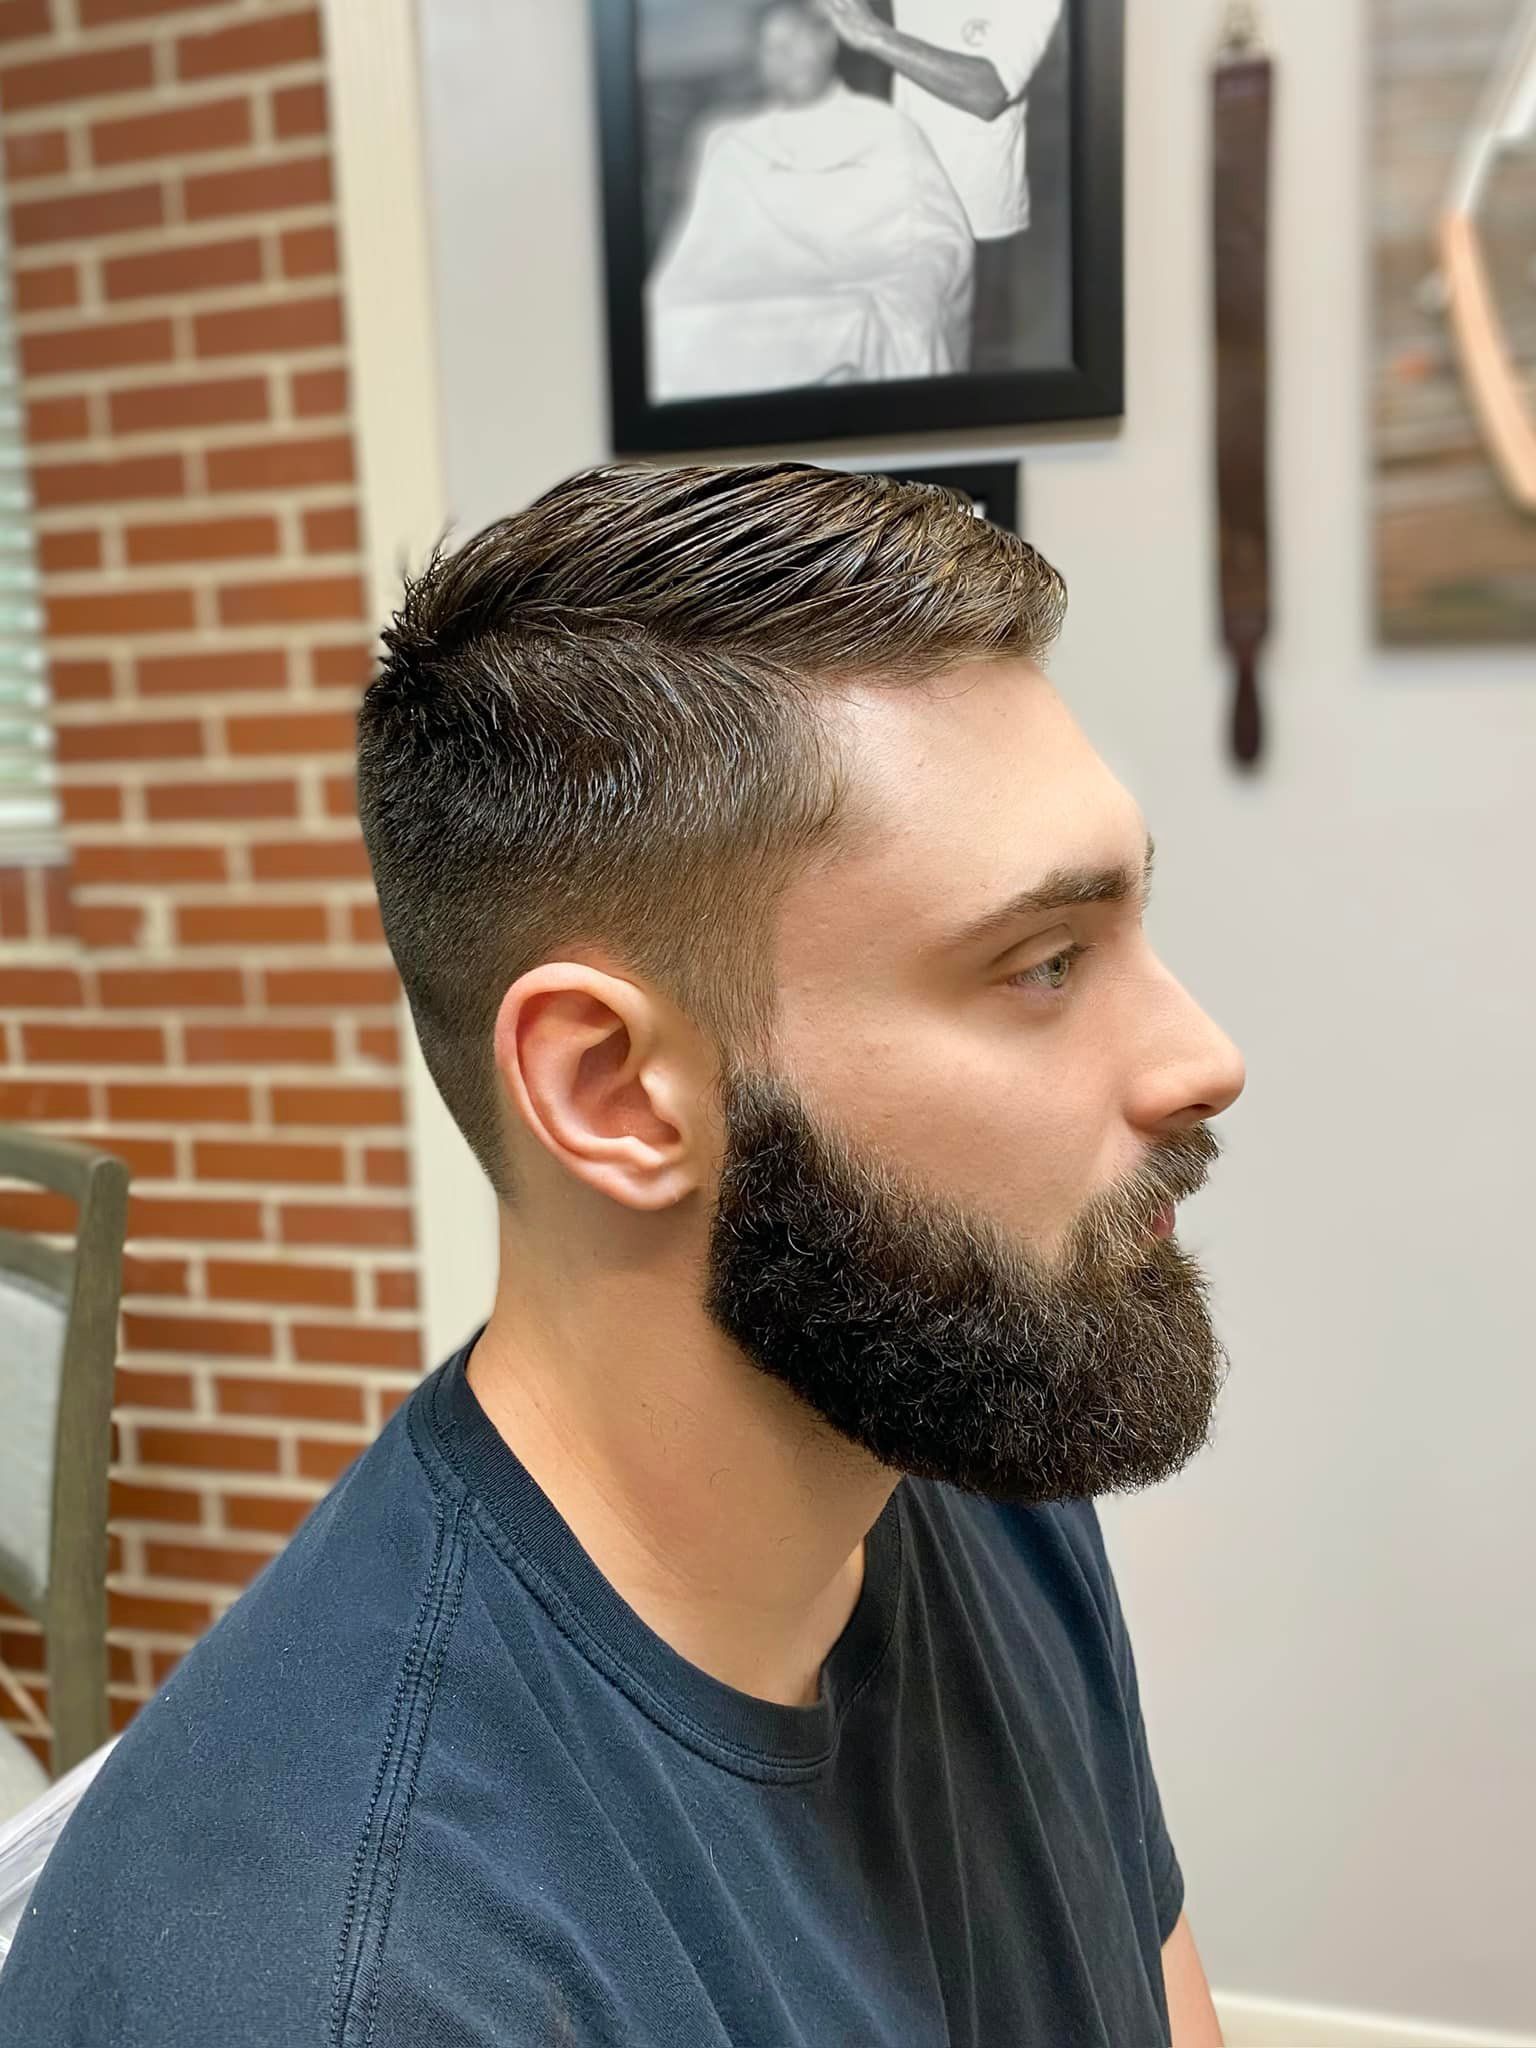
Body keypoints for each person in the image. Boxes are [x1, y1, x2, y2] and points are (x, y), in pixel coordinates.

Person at [0, 463, 1240, 2047]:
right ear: (612, 1094)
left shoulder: (965, 1457)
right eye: (1044, 964)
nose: (1202, 1056)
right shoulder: (349, 1983)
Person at [648, 1, 975, 398]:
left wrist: (911, 282)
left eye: (797, 40)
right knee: (668, 323)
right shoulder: (730, 139)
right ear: (759, 60)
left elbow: (933, 233)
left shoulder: (885, 128)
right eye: (773, 47)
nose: (787, 56)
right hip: (757, 284)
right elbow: (702, 246)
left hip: (861, 281)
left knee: (878, 320)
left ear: (827, 44)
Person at [819, 0, 1066, 365]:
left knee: (975, 373)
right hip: (907, 208)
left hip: (978, 224)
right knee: (907, 358)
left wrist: (873, 34)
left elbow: (988, 91)